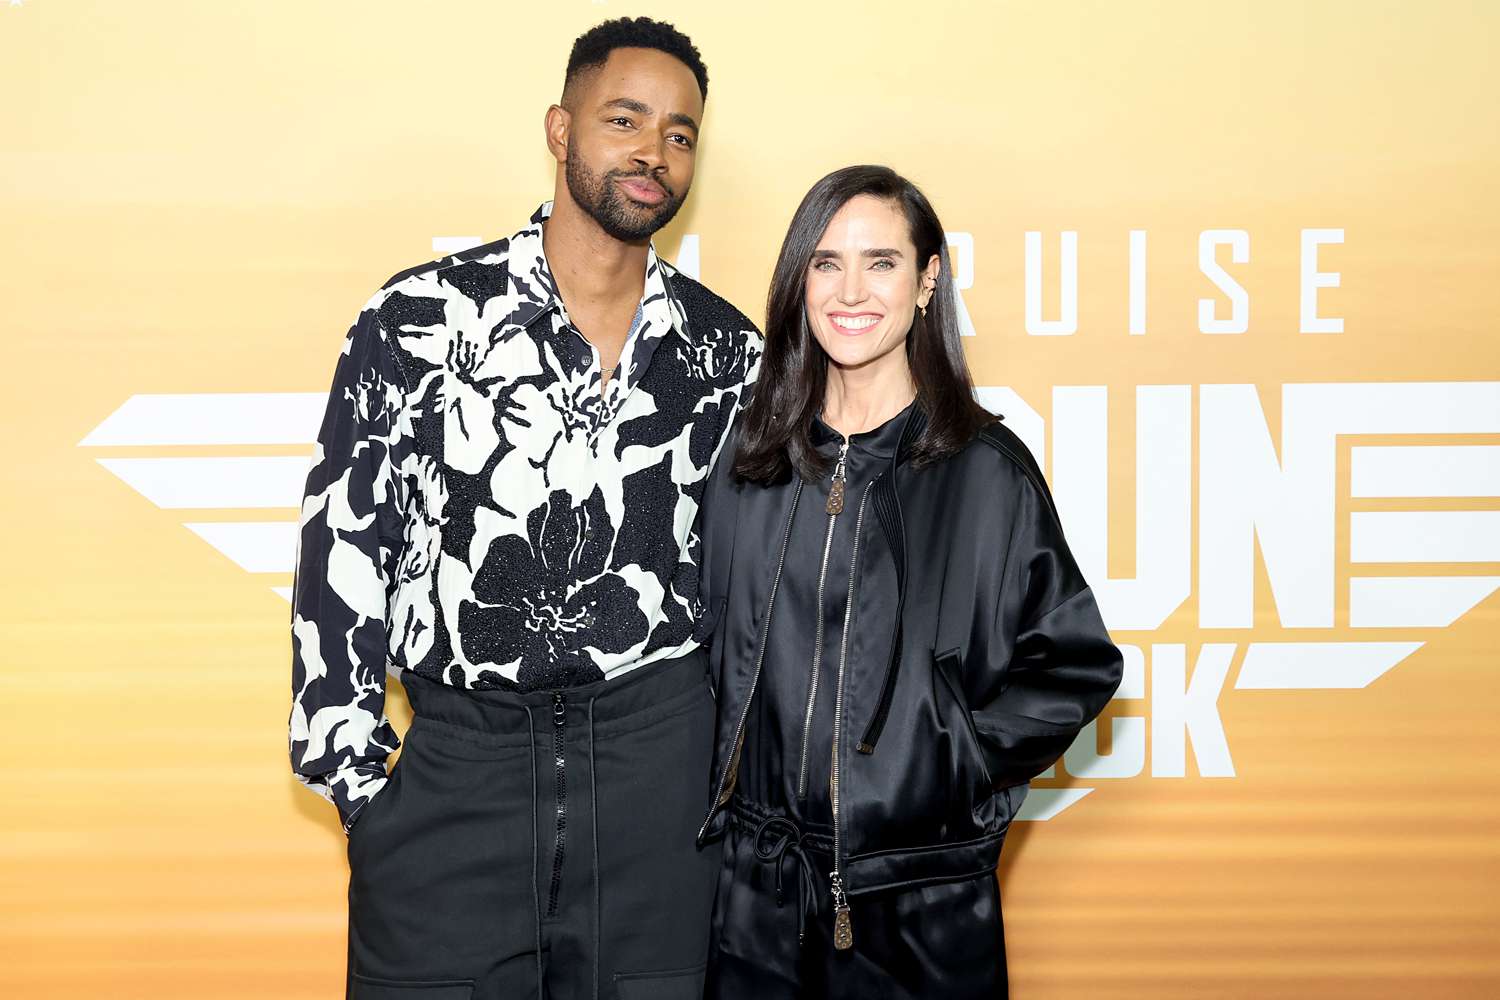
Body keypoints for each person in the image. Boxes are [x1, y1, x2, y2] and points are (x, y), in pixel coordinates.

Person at [287, 17, 760, 1000]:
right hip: (458, 774)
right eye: (624, 119)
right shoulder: (418, 321)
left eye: (679, 134)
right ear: (560, 129)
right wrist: (367, 795)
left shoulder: (728, 356)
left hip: (655, 785)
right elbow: (342, 551)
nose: (653, 153)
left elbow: (759, 592)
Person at [695, 165, 1123, 999]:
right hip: (755, 903)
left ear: (928, 280)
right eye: (826, 263)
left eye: (882, 262)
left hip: (917, 911)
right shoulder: (751, 460)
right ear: (799, 281)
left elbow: (1074, 665)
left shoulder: (983, 471)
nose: (851, 290)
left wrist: (942, 766)